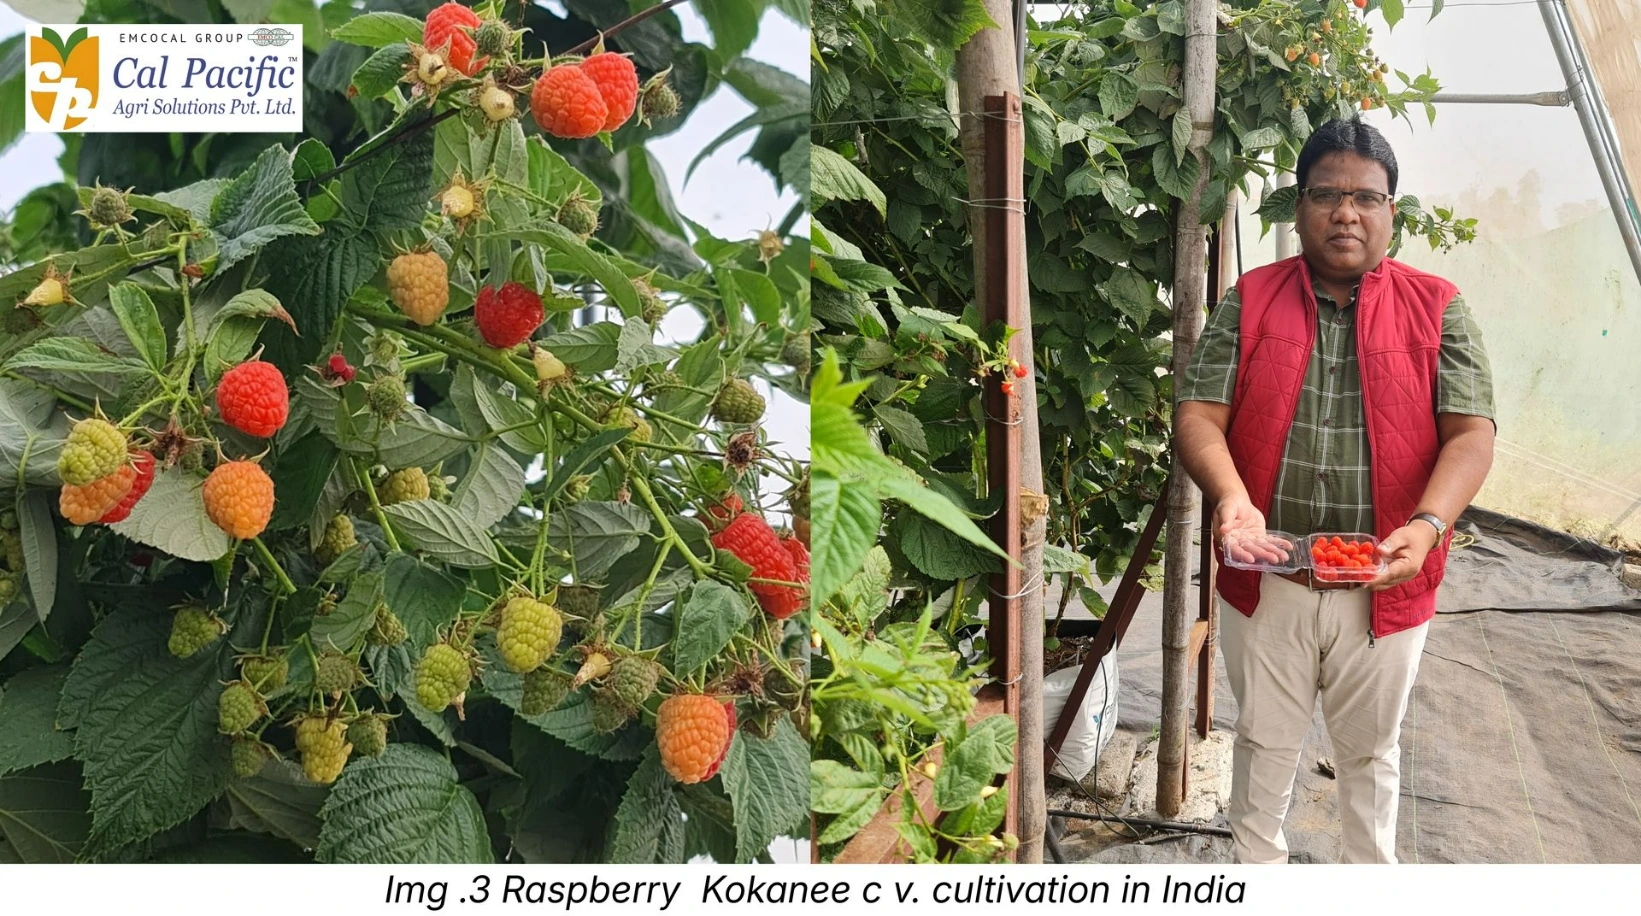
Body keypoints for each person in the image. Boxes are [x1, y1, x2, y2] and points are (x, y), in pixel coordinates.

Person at [1176, 117, 1496, 864]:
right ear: (1299, 207)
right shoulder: (1251, 298)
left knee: (1370, 755)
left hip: (1382, 582)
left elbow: (1470, 434)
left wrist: (1427, 525)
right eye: (1326, 195)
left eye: (1365, 197)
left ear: (1391, 211)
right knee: (1262, 745)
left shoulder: (1438, 305)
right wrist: (1231, 498)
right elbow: (1197, 414)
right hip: (1269, 576)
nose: (1345, 213)